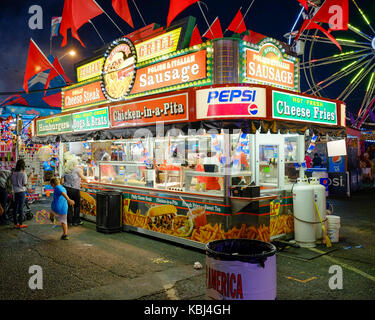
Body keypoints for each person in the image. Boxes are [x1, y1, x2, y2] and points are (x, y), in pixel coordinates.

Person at [62, 155, 88, 226]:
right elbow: (83, 178)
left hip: (67, 189)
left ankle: (69, 221)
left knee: (69, 205)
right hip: (75, 189)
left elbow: (61, 181)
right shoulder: (78, 169)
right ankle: (76, 221)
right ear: (74, 163)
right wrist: (87, 179)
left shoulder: (66, 170)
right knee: (77, 205)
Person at [11, 159, 28, 229]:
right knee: (21, 208)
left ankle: (15, 223)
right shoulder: (23, 173)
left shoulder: (13, 173)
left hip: (15, 191)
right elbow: (24, 183)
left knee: (15, 208)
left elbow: (12, 182)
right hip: (21, 191)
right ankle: (20, 223)